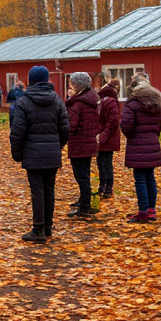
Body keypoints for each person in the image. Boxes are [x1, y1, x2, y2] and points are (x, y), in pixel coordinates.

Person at [10, 65, 70, 243]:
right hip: (51, 153)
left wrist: (17, 153)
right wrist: (56, 146)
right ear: (47, 80)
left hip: (33, 153)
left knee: (37, 191)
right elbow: (65, 129)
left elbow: (17, 131)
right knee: (49, 190)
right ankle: (47, 226)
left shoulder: (23, 102)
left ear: (31, 80)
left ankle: (38, 229)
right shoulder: (57, 101)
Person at [120, 73, 161, 224]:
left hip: (137, 145)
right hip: (152, 144)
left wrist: (132, 135)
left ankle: (143, 211)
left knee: (140, 178)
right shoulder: (157, 103)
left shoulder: (132, 103)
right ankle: (151, 209)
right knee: (150, 177)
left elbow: (126, 126)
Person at [66, 72, 100, 218]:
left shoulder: (77, 104)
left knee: (81, 176)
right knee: (84, 173)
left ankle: (85, 206)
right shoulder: (92, 100)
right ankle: (83, 200)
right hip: (89, 141)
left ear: (77, 85)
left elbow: (71, 125)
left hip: (79, 143)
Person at [96, 78, 121, 199]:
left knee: (105, 163)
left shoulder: (106, 101)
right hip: (104, 136)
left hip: (105, 136)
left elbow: (113, 121)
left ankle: (106, 187)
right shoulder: (109, 100)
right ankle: (104, 186)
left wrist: (103, 135)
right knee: (103, 162)